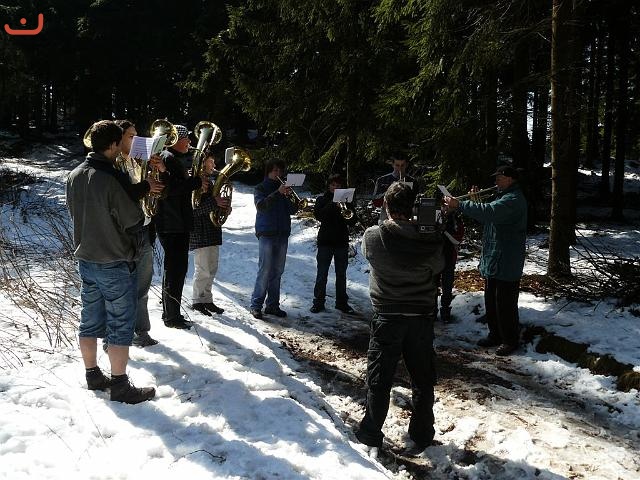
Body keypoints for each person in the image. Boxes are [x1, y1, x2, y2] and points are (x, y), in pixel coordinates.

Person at [66, 120, 155, 404]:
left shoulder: (74, 174)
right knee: (120, 323)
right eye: (120, 143)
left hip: (86, 259)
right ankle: (120, 385)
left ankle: (92, 375)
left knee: (89, 320)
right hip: (113, 260)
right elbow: (133, 219)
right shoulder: (110, 178)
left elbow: (74, 212)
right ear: (114, 144)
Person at [355, 182, 443, 455]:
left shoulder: (374, 236)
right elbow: (438, 266)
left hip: (387, 316)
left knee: (379, 379)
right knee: (422, 379)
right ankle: (422, 433)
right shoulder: (430, 239)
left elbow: (368, 253)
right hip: (420, 317)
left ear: (386, 205)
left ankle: (370, 433)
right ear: (414, 207)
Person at [443, 165, 527, 356]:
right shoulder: (502, 196)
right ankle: (495, 335)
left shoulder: (513, 199)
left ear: (510, 179)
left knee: (505, 303)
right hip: (495, 258)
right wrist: (476, 203)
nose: (495, 181)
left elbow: (491, 212)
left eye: (499, 177)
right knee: (491, 301)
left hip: (507, 259)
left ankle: (510, 340)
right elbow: (487, 216)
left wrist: (461, 204)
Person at [114, 119, 165, 346]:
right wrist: (145, 187)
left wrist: (157, 173)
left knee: (143, 286)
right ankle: (115, 335)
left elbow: (157, 192)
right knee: (120, 288)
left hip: (144, 229)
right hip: (124, 233)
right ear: (119, 139)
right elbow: (122, 196)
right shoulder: (114, 166)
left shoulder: (139, 162)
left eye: (137, 136)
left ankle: (141, 331)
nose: (135, 140)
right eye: (131, 136)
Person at [156, 124, 207, 329]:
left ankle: (171, 313)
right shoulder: (168, 158)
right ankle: (172, 317)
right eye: (187, 138)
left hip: (175, 221)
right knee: (175, 271)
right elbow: (170, 189)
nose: (190, 142)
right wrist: (195, 182)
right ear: (177, 139)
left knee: (175, 270)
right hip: (172, 223)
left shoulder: (171, 158)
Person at [249, 159, 299, 319]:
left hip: (282, 232)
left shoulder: (284, 188)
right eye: (275, 170)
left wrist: (290, 197)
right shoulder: (261, 188)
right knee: (264, 270)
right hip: (267, 232)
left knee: (277, 271)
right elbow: (261, 206)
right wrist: (278, 193)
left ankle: (272, 305)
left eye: (280, 171)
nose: (278, 173)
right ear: (269, 171)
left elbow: (293, 210)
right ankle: (256, 305)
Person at [189, 151, 230, 316]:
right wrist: (215, 202)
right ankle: (197, 300)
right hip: (200, 231)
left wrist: (224, 208)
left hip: (212, 230)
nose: (214, 165)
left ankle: (207, 299)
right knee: (202, 269)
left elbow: (213, 205)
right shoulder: (194, 181)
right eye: (211, 161)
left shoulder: (210, 182)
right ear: (203, 162)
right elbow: (193, 210)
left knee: (212, 268)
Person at [310, 173, 356, 314]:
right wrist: (332, 204)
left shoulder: (347, 201)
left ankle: (342, 303)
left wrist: (345, 208)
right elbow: (319, 216)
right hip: (325, 241)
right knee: (322, 274)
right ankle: (318, 302)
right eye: (333, 185)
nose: (335, 188)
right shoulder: (322, 199)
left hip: (341, 241)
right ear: (329, 186)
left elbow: (352, 220)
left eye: (338, 185)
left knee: (341, 274)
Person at [372, 156, 419, 224]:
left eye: (402, 165)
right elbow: (375, 200)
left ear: (406, 165)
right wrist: (391, 189)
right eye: (397, 165)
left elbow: (416, 201)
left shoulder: (413, 181)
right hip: (386, 216)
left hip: (406, 217)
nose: (400, 168)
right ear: (393, 165)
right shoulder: (382, 180)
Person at [437, 209, 465, 322]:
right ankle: (432, 311)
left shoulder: (456, 220)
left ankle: (445, 311)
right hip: (435, 257)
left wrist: (444, 231)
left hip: (449, 258)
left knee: (447, 286)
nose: (445, 208)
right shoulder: (434, 216)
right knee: (433, 285)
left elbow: (457, 240)